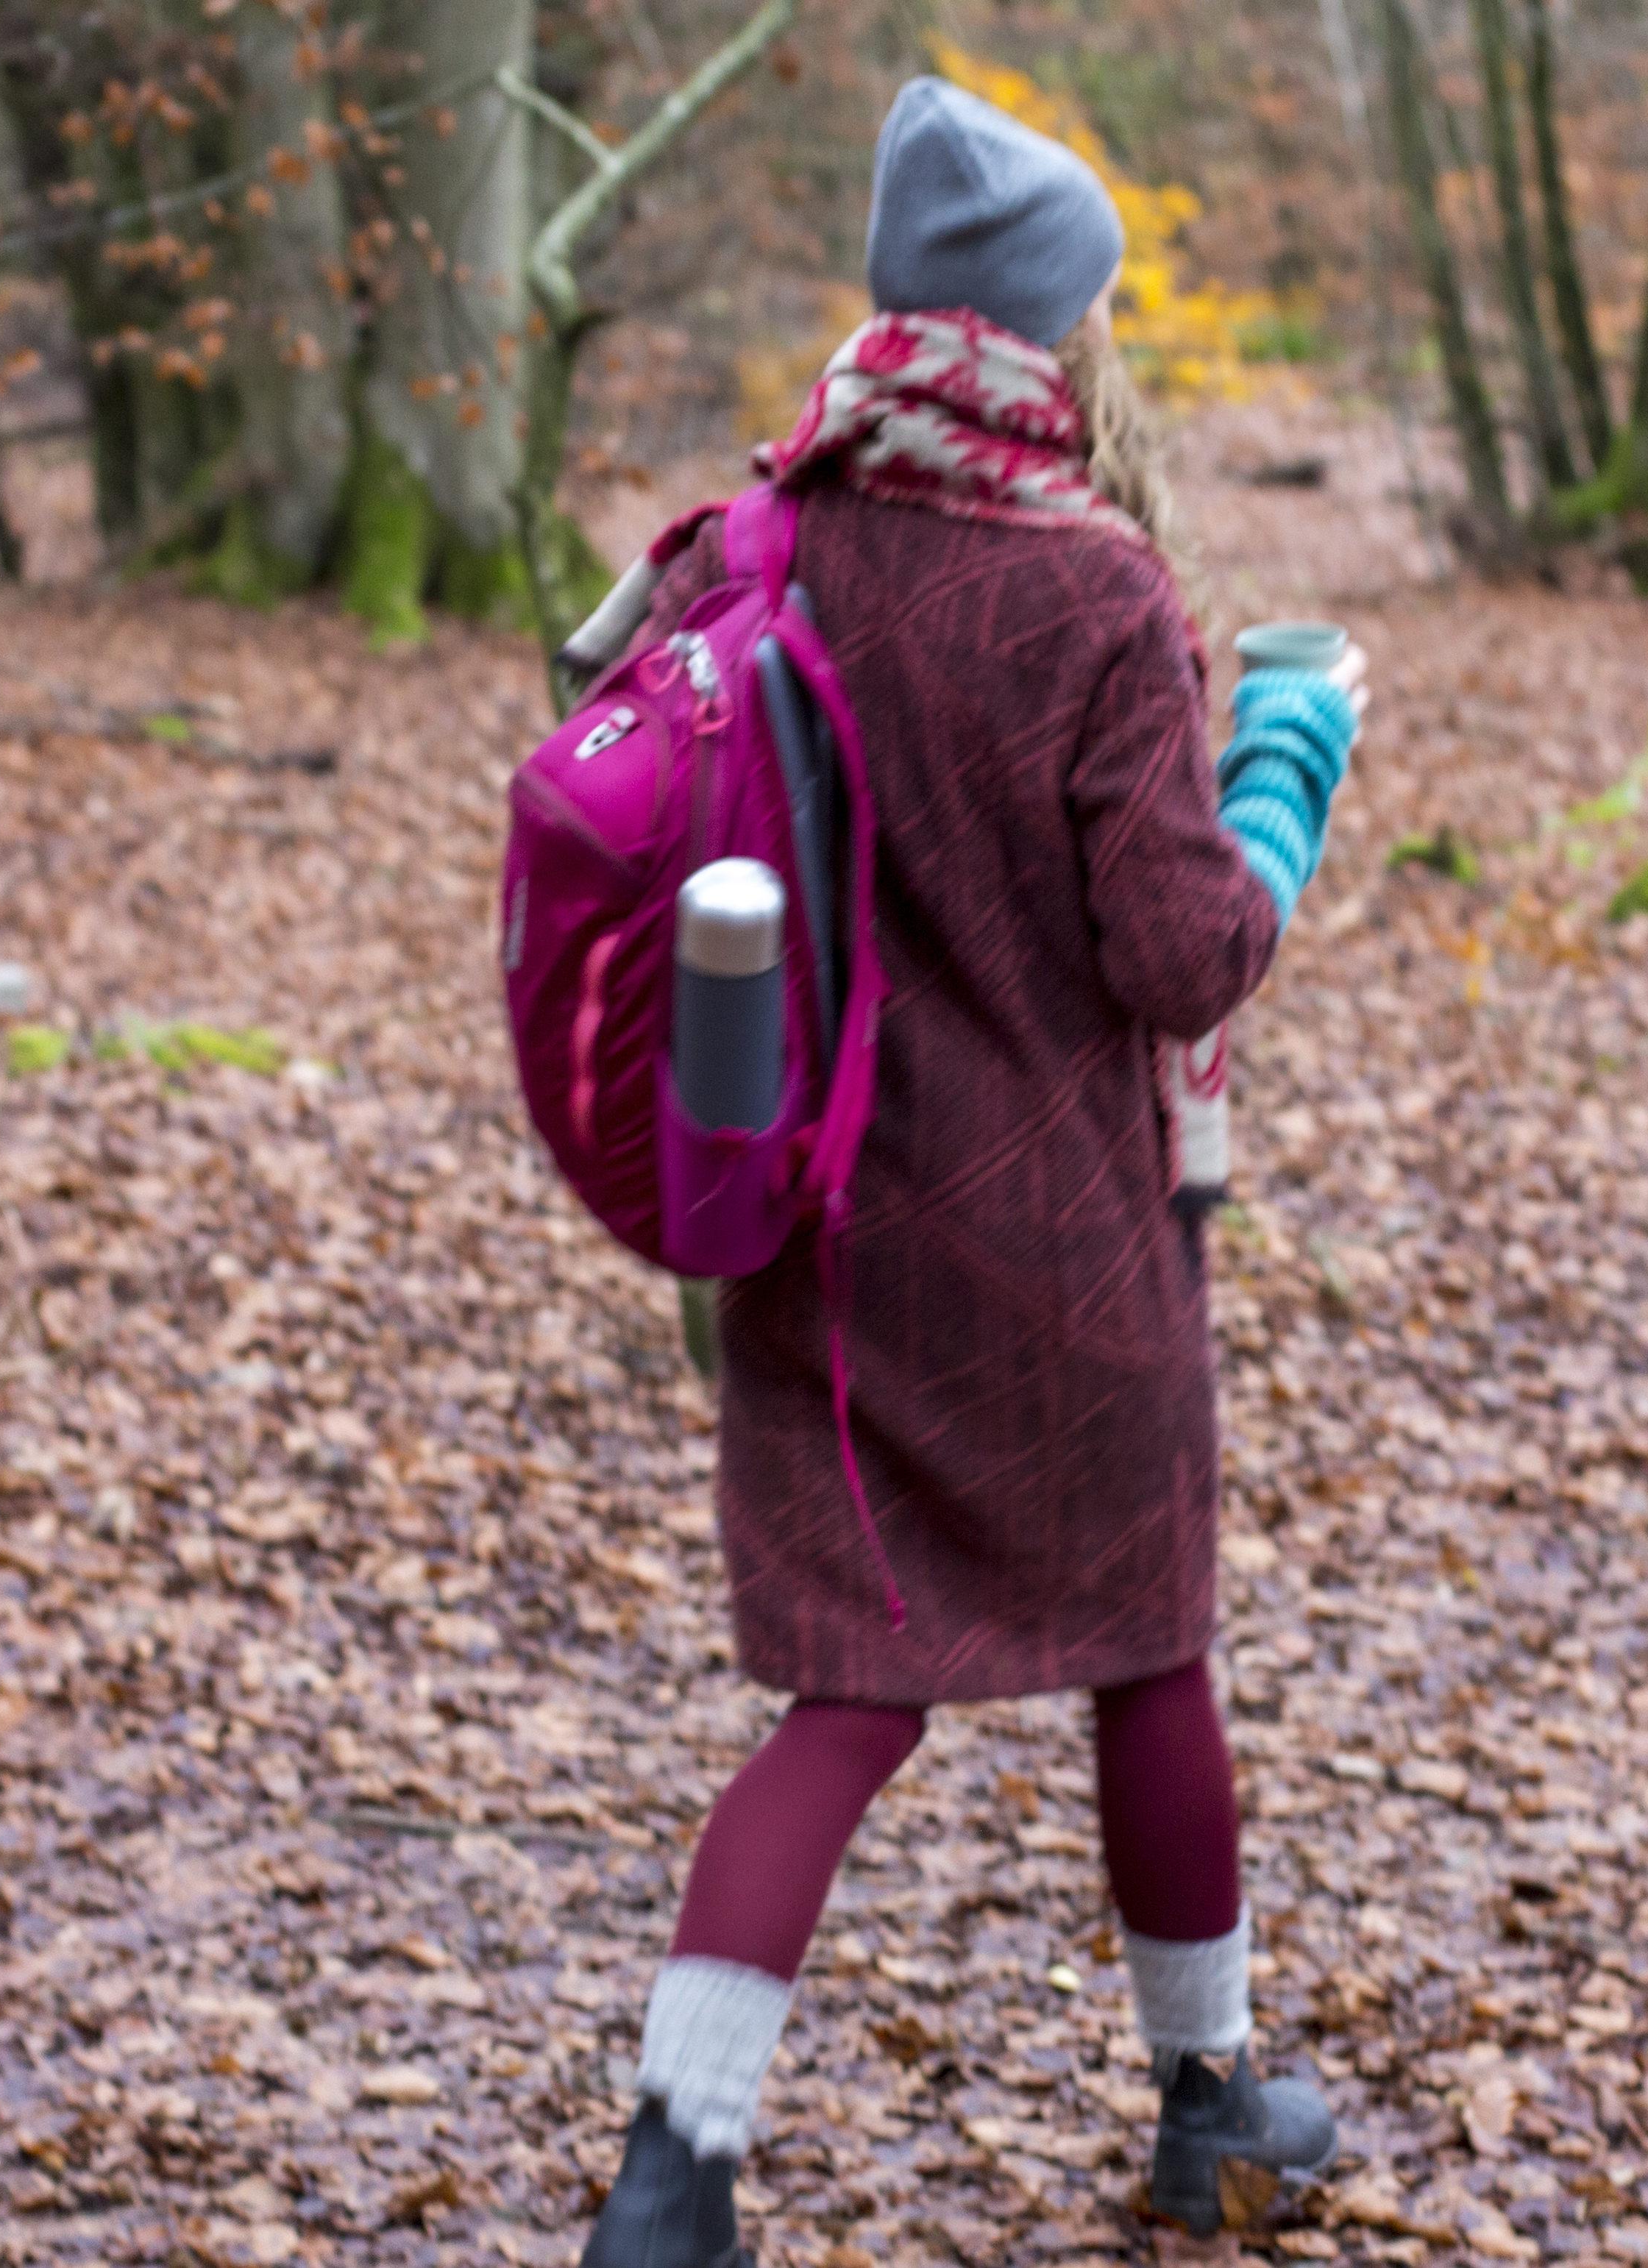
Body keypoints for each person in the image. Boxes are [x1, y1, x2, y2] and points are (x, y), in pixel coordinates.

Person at [573, 77, 1368, 2268]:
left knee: (849, 1691)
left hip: (819, 1224)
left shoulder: (770, 541)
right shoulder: (1096, 589)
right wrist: (1287, 780)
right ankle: (1208, 2108)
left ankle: (673, 2176)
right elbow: (1187, 945)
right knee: (1151, 1654)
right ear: (1056, 334)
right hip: (1067, 1239)